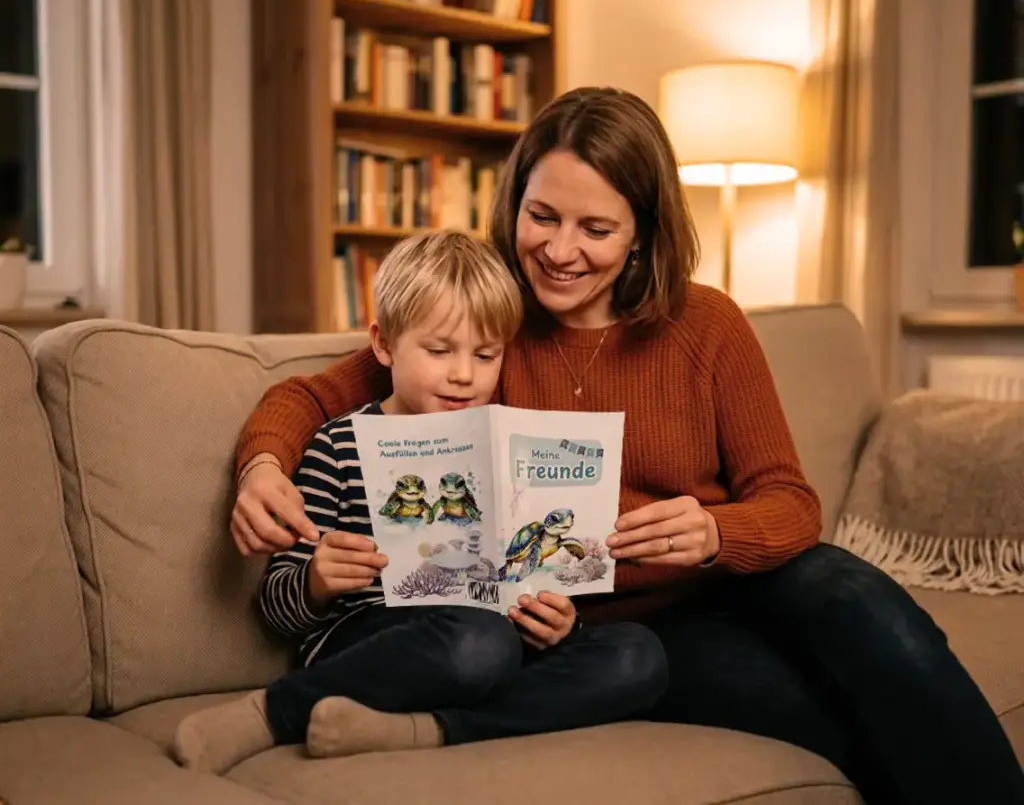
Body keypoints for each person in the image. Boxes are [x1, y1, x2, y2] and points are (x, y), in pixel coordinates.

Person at [228, 88, 1024, 803]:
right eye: (541, 217)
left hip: (727, 581)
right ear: (513, 206)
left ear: (643, 233)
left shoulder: (707, 325)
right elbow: (315, 395)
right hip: (610, 632)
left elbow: (792, 503)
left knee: (861, 606)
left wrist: (715, 532)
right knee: (834, 719)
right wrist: (263, 464)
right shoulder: (486, 324)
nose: (560, 249)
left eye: (597, 228)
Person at [173, 230, 669, 775]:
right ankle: (272, 713)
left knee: (639, 655)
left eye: (486, 355)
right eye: (439, 351)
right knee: (481, 642)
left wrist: (559, 622)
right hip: (383, 639)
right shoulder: (339, 446)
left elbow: (533, 581)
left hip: (495, 636)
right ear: (383, 344)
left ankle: (427, 731)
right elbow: (273, 610)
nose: (464, 374)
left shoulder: (506, 444)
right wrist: (316, 579)